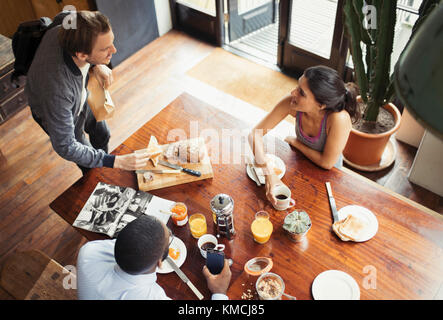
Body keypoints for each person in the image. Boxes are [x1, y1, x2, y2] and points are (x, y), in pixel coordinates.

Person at [25, 10, 151, 175]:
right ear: (82, 54)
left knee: (102, 133)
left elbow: (62, 16)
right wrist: (115, 162)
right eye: (105, 49)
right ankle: (94, 174)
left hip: (79, 94)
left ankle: (100, 165)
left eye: (111, 42)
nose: (114, 50)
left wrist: (96, 64)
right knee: (89, 163)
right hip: (60, 110)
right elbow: (66, 146)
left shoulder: (69, 25)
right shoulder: (57, 92)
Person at [248, 65, 358, 207]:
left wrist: (297, 143)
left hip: (327, 178)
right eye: (297, 86)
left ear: (321, 105)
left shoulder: (339, 119)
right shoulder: (291, 103)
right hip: (300, 163)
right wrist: (269, 173)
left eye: (302, 93)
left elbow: (327, 163)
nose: (293, 92)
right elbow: (254, 135)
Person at [77, 215, 232, 300]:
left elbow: (133, 244)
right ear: (160, 263)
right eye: (168, 240)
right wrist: (219, 292)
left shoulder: (89, 251)